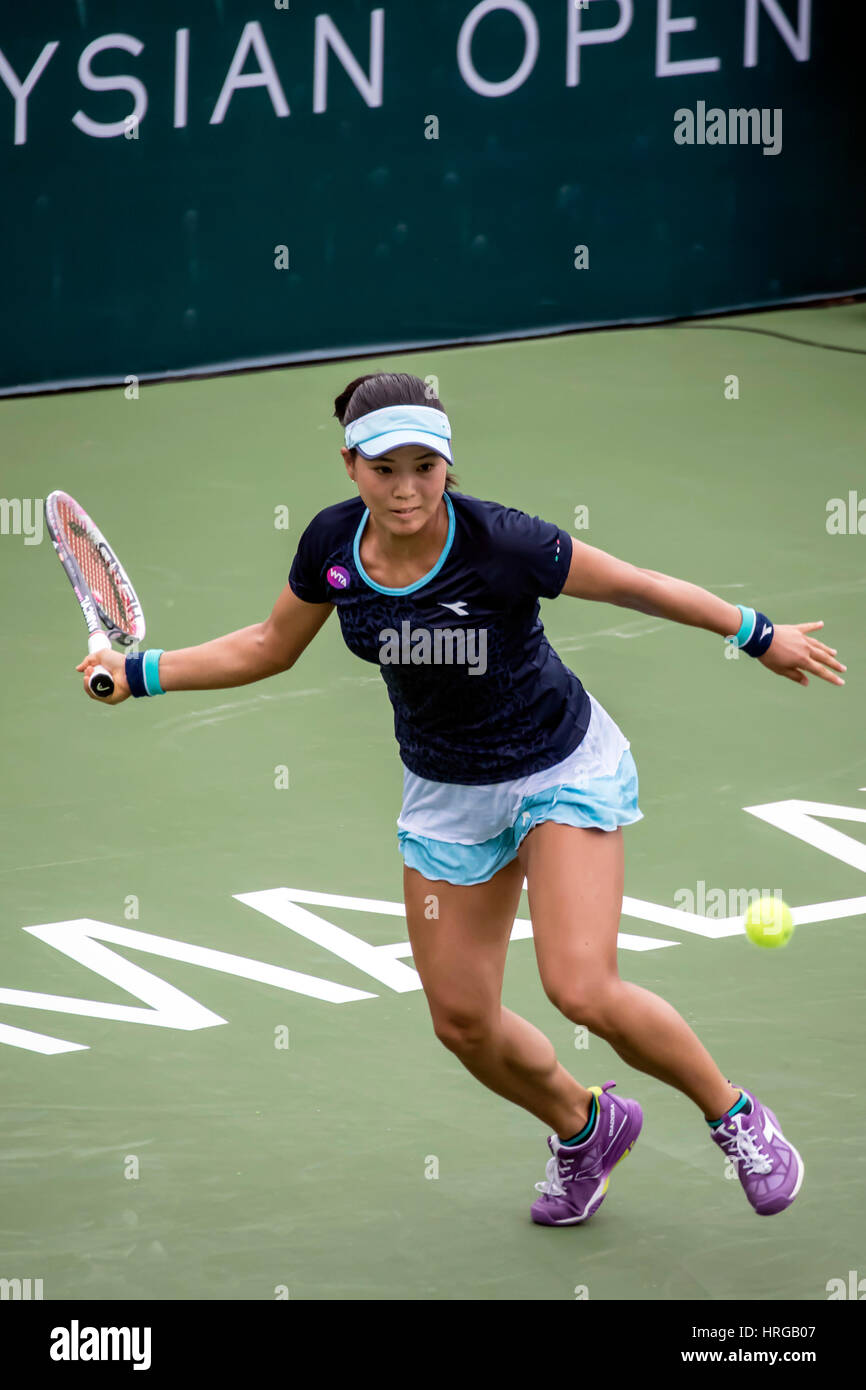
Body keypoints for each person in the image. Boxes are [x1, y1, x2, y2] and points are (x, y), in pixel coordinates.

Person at [78, 371, 846, 1226]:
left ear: (448, 464)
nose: (405, 488)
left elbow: (635, 584)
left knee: (581, 988)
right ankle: (584, 1127)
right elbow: (268, 645)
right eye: (384, 468)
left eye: (424, 466)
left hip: (561, 768)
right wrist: (142, 674)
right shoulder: (333, 549)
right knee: (463, 1023)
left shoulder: (506, 543)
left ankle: (734, 1115)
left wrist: (757, 632)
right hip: (446, 794)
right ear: (351, 466)